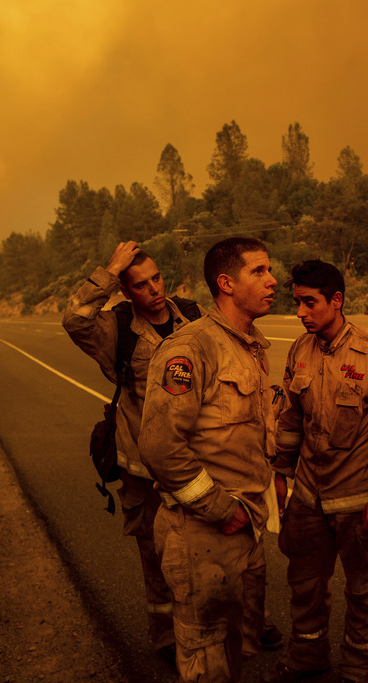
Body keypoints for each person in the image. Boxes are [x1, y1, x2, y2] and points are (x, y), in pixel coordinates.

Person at [138, 236, 279, 683]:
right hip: (203, 532)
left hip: (246, 526)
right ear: (226, 283)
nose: (273, 280)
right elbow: (160, 446)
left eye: (269, 269)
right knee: (206, 657)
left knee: (238, 649)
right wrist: (220, 508)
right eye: (258, 271)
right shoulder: (191, 348)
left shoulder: (251, 345)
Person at [264, 260, 368, 683]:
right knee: (304, 586)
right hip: (308, 496)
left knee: (363, 592)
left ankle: (361, 670)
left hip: (358, 500)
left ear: (337, 301)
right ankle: (308, 658)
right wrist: (280, 475)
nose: (301, 312)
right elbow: (290, 421)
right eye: (298, 303)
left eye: (310, 303)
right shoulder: (299, 350)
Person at [62, 240, 201, 664]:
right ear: (126, 291)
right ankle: (165, 637)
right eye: (140, 285)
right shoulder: (115, 329)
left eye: (157, 278)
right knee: (156, 556)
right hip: (143, 470)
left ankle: (240, 620)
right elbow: (74, 319)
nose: (154, 289)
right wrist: (111, 269)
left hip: (198, 461)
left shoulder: (193, 318)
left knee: (214, 549)